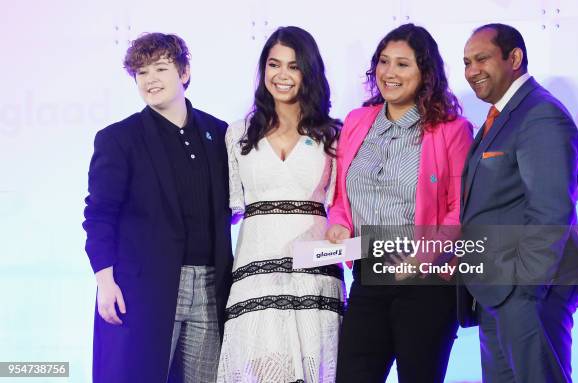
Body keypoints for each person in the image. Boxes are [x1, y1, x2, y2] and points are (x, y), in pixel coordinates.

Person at [325, 23, 473, 383]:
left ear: (426, 73)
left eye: (403, 64)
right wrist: (339, 223)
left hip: (425, 283)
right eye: (384, 62)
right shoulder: (358, 121)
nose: (389, 73)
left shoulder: (452, 129)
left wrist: (423, 258)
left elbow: (460, 210)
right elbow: (343, 195)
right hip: (367, 276)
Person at [83, 33, 233, 383]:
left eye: (160, 68)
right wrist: (105, 281)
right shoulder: (119, 138)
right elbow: (99, 214)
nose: (150, 80)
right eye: (142, 72)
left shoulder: (219, 132)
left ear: (183, 72)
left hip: (211, 286)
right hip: (145, 287)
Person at [460, 23, 578, 382]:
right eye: (466, 62)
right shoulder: (501, 117)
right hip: (500, 290)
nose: (472, 70)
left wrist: (525, 288)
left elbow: (552, 209)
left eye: (481, 59)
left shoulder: (540, 114)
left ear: (515, 58)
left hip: (531, 289)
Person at [216, 26, 345, 383]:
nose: (282, 75)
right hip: (255, 273)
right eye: (274, 65)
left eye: (293, 66)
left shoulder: (334, 135)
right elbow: (230, 206)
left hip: (315, 275)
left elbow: (342, 211)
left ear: (309, 72)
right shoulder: (237, 134)